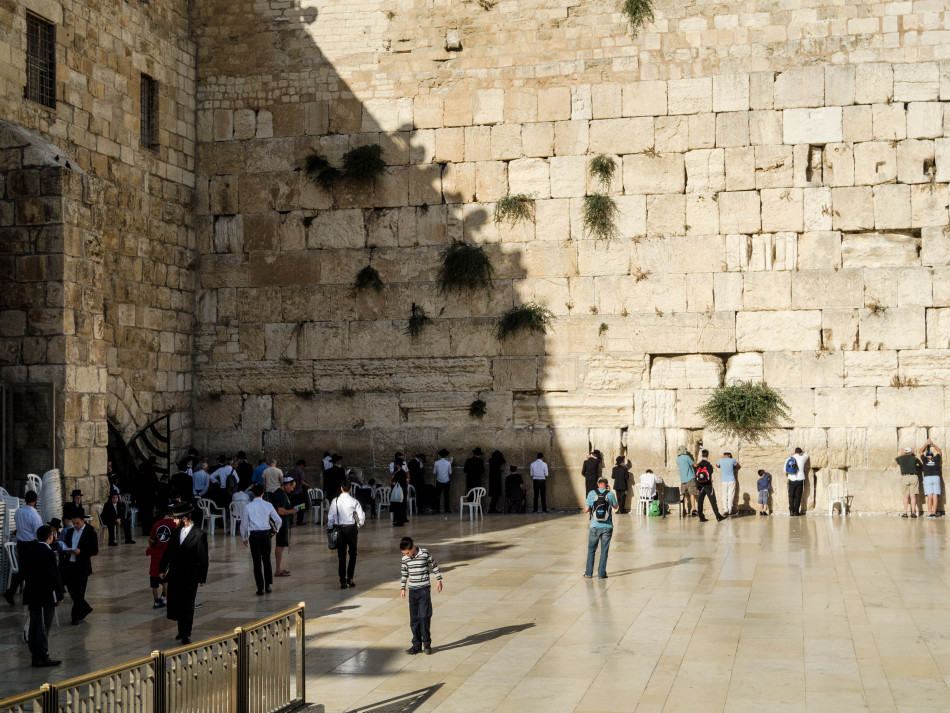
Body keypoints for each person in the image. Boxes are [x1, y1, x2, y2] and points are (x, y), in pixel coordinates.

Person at [159, 502, 209, 645]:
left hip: (190, 575)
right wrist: (162, 569)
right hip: (175, 574)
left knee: (188, 604)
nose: (173, 521)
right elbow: (168, 552)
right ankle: (181, 630)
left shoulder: (199, 535)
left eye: (176, 518)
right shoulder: (175, 532)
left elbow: (203, 557)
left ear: (184, 519)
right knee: (178, 603)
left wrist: (202, 577)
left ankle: (186, 633)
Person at [22, 525, 63, 667]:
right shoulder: (48, 553)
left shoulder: (29, 551)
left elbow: (24, 572)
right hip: (45, 595)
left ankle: (35, 654)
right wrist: (59, 595)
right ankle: (42, 655)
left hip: (32, 594)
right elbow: (54, 576)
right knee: (44, 626)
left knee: (35, 624)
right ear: (50, 537)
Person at [399, 536, 443, 656]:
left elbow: (433, 565)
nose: (406, 555)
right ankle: (416, 645)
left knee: (424, 616)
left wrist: (439, 580)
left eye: (408, 552)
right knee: (414, 619)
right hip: (412, 591)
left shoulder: (424, 553)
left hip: (424, 590)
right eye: (404, 553)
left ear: (412, 547)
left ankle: (427, 644)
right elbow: (404, 573)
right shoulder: (405, 559)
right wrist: (403, 588)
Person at [241, 484, 282, 595]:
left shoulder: (248, 506)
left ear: (253, 493)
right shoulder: (268, 505)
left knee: (256, 561)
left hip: (254, 535)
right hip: (265, 534)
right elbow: (278, 520)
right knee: (266, 559)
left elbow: (244, 524)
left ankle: (260, 587)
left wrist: (244, 537)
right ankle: (268, 585)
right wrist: (275, 531)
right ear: (263, 493)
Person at [59, 510, 99, 625]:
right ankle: (85, 608)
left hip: (82, 566)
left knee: (80, 592)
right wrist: (67, 551)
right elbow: (66, 545)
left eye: (77, 523)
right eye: (73, 523)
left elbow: (94, 550)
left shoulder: (90, 533)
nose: (75, 525)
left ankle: (75, 617)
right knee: (72, 591)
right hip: (70, 564)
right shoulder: (70, 532)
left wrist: (81, 552)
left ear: (83, 521)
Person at [4, 490, 43, 604]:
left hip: (21, 545)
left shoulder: (18, 512)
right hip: (31, 544)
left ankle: (11, 593)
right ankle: (19, 595)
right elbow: (38, 533)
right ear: (35, 500)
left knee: (24, 570)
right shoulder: (34, 515)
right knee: (29, 571)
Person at [327, 479, 365, 589]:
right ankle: (350, 578)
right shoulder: (354, 501)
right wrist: (358, 525)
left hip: (339, 529)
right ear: (351, 488)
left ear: (341, 488)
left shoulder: (335, 501)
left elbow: (330, 517)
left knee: (341, 555)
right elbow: (361, 517)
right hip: (351, 529)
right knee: (353, 554)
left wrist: (330, 528)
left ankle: (342, 580)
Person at [583, 477, 618, 579]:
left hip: (594, 526)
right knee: (604, 550)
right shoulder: (610, 494)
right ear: (607, 484)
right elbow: (616, 507)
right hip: (607, 527)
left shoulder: (591, 493)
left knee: (591, 549)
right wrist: (609, 492)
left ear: (598, 484)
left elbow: (586, 509)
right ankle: (601, 574)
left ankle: (588, 573)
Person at [146, 507, 177, 609]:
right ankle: (168, 599)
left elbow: (151, 540)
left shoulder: (157, 524)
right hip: (170, 555)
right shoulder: (174, 524)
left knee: (154, 582)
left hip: (158, 554)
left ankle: (156, 601)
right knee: (166, 580)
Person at [270, 477, 299, 576]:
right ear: (287, 485)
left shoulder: (280, 493)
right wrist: (292, 511)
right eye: (292, 486)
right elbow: (280, 511)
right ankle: (278, 569)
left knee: (281, 545)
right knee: (280, 545)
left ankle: (279, 568)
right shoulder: (281, 495)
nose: (292, 489)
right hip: (281, 523)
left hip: (281, 523)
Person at [695, 450, 725, 523]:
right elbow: (710, 472)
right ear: (708, 455)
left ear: (702, 455)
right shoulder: (708, 464)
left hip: (700, 486)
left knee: (700, 501)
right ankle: (718, 516)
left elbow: (696, 474)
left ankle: (701, 517)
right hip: (708, 485)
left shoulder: (699, 464)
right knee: (713, 501)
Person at [895, 447, 922, 518]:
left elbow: (896, 458)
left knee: (906, 496)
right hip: (913, 477)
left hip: (905, 477)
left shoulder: (900, 458)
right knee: (913, 496)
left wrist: (902, 453)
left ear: (904, 452)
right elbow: (920, 465)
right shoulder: (914, 459)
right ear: (911, 452)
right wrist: (913, 455)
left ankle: (905, 513)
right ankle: (913, 513)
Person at [920, 440, 942, 517]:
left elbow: (920, 451)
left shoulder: (924, 459)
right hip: (936, 477)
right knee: (935, 495)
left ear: (927, 456)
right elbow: (939, 451)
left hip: (927, 478)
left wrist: (926, 444)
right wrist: (933, 444)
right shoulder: (936, 459)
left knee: (929, 496)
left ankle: (929, 512)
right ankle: (934, 512)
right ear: (932, 456)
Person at [285, 459, 311, 525]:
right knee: (301, 506)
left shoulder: (290, 471)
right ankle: (299, 521)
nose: (303, 467)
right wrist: (309, 486)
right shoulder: (300, 472)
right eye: (303, 466)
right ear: (301, 465)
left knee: (291, 506)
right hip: (298, 492)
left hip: (290, 492)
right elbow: (302, 482)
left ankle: (290, 521)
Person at [785, 447, 809, 516]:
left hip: (791, 479)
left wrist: (793, 454)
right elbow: (807, 455)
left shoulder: (789, 459)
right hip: (800, 479)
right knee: (798, 496)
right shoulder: (803, 458)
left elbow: (784, 469)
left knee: (791, 496)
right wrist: (801, 453)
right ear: (800, 452)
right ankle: (796, 511)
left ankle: (791, 511)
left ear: (794, 452)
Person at [676, 446, 698, 517]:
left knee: (683, 494)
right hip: (690, 477)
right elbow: (694, 465)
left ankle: (683, 510)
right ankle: (694, 509)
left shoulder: (677, 459)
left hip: (683, 479)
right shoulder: (687, 457)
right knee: (692, 493)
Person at [716, 451, 740, 517]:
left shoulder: (720, 460)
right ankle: (730, 510)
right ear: (729, 455)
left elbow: (717, 465)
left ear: (724, 455)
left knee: (724, 496)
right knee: (731, 495)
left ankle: (725, 510)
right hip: (731, 480)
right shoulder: (732, 460)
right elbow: (738, 465)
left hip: (724, 480)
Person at [390, 456, 409, 526]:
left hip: (400, 492)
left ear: (397, 465)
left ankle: (400, 521)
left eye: (395, 464)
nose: (394, 466)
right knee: (397, 507)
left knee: (400, 507)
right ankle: (397, 521)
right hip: (398, 492)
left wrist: (394, 483)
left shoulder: (401, 472)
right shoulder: (398, 472)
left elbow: (402, 482)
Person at [433, 449, 453, 513]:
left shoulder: (436, 463)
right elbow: (450, 472)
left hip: (439, 481)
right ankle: (446, 509)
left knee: (438, 495)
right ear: (446, 455)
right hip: (446, 480)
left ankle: (437, 509)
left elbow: (434, 472)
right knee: (446, 496)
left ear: (440, 455)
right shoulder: (448, 463)